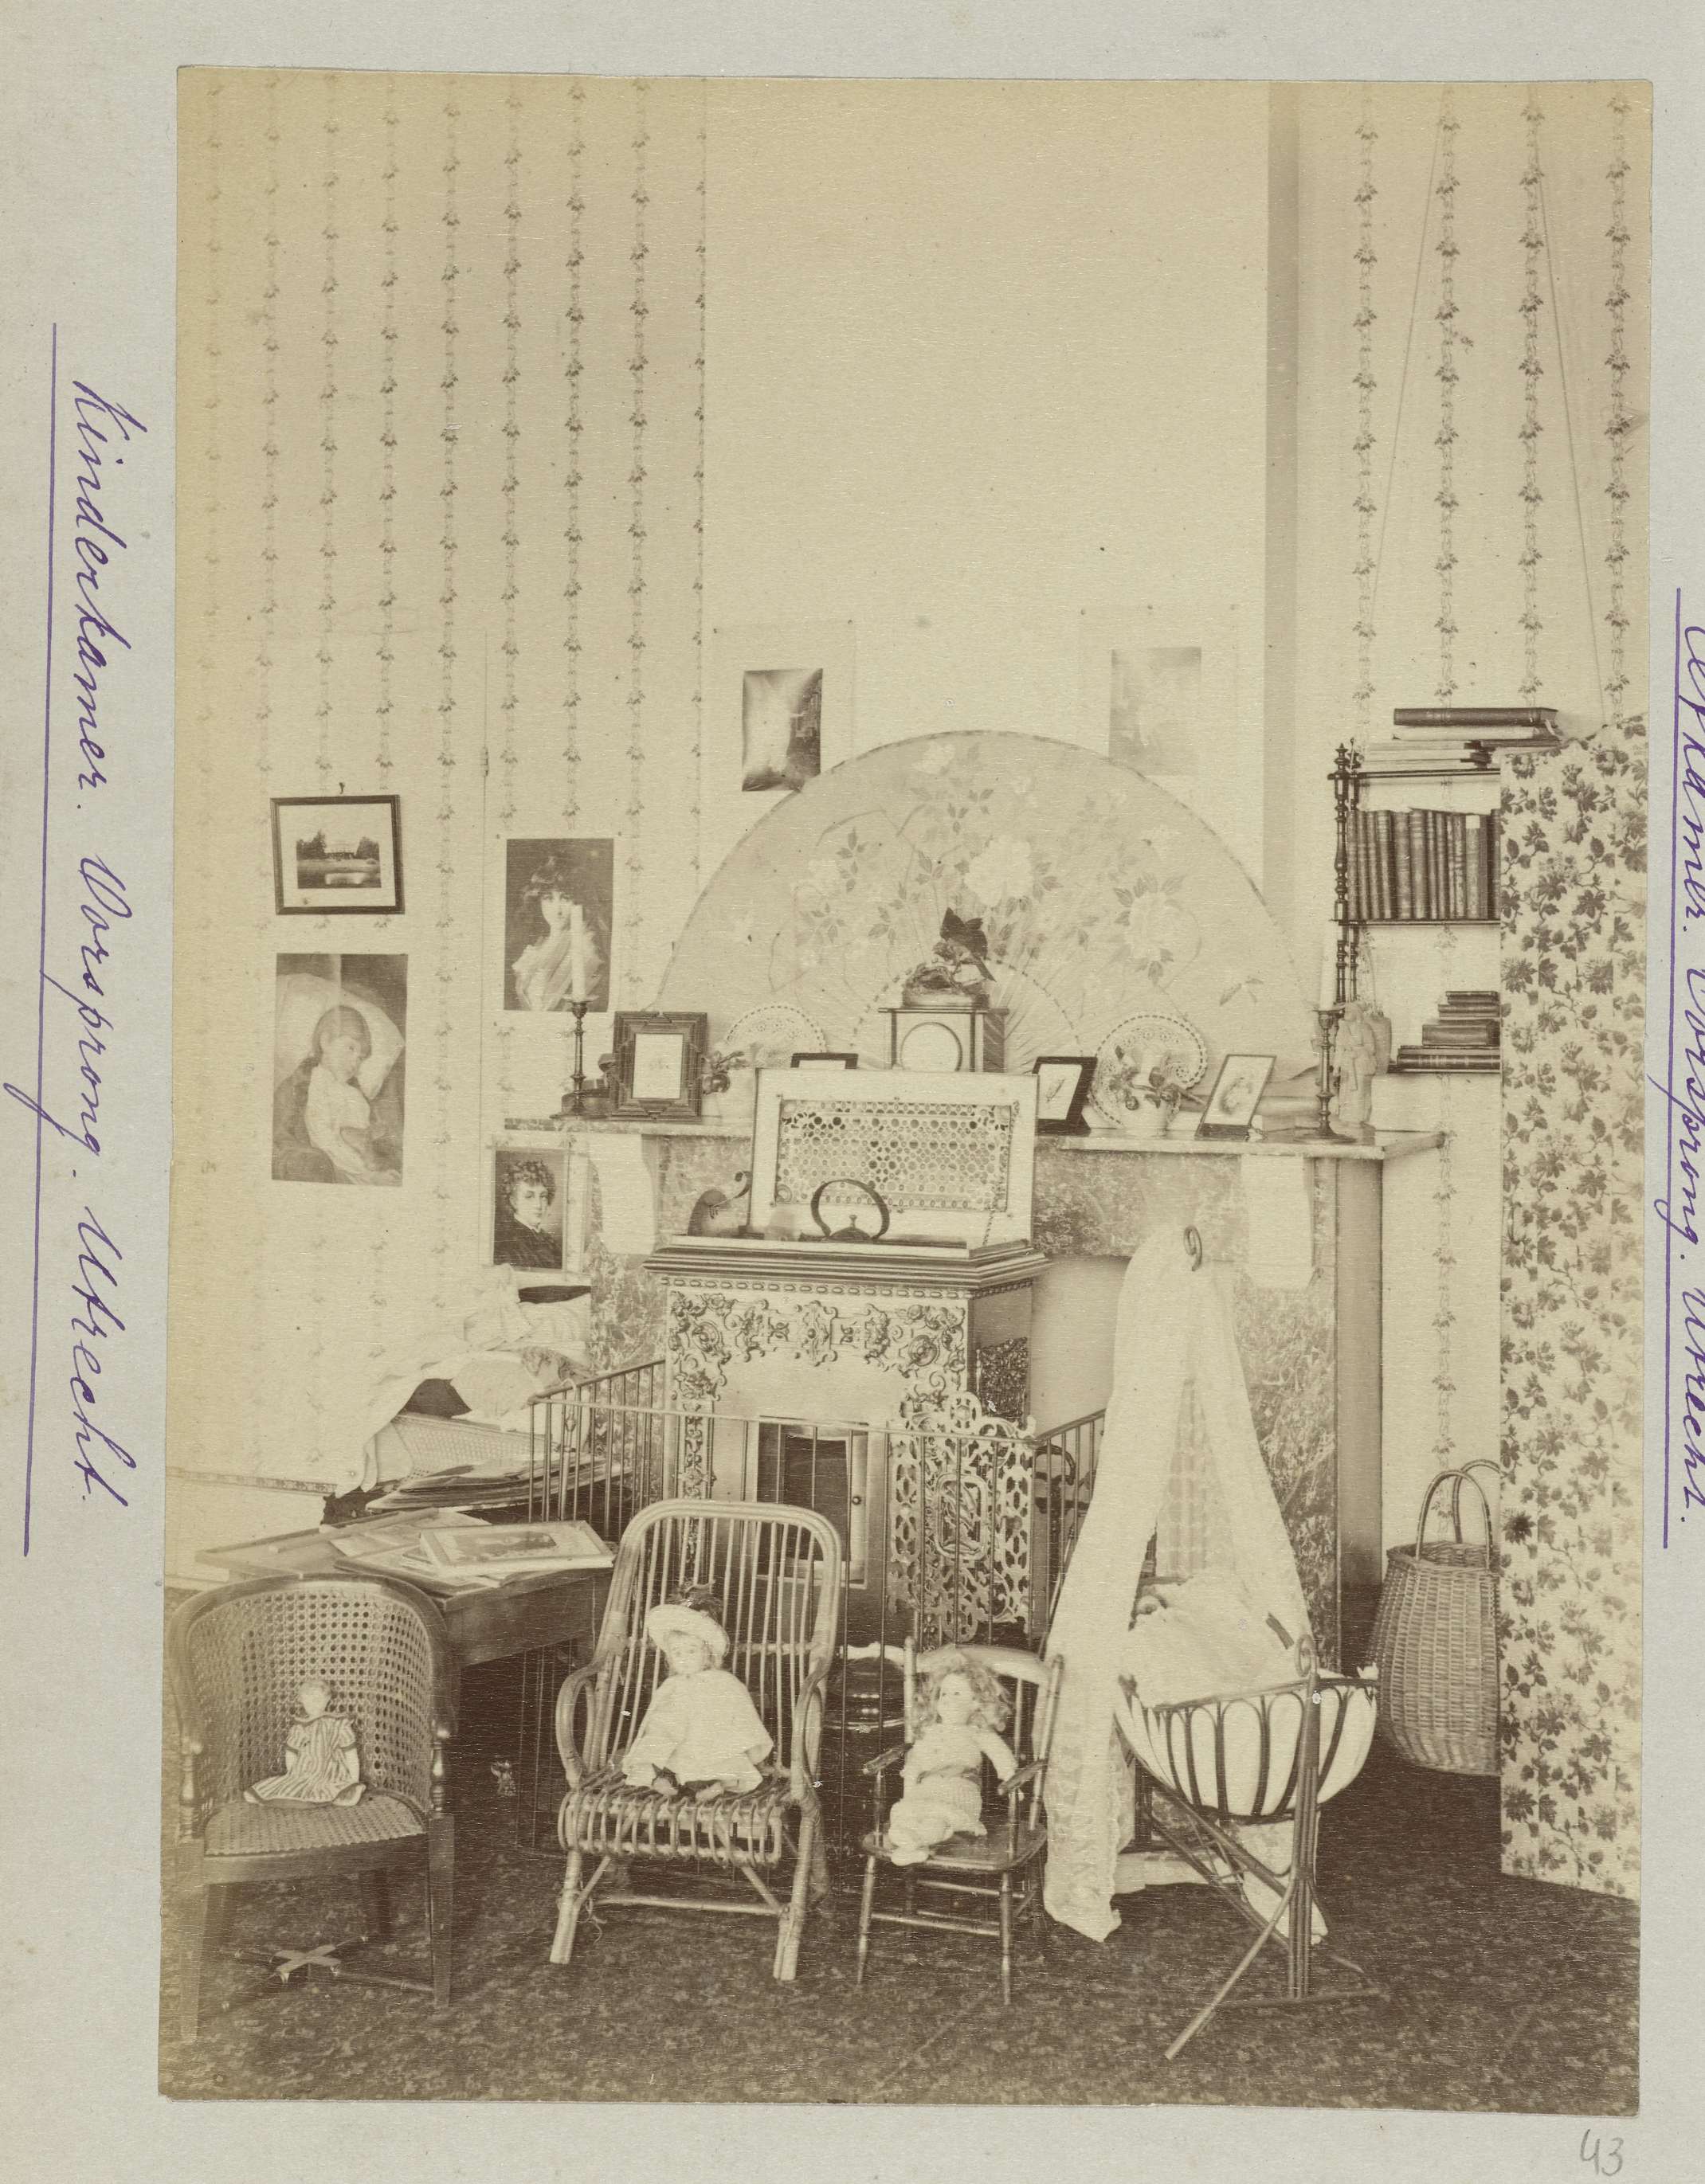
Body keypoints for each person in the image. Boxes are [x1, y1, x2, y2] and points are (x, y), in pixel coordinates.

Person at [622, 1591, 773, 1799]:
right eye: (677, 1653)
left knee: (719, 1760)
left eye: (691, 1651)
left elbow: (740, 1712)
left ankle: (715, 1785)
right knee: (656, 1753)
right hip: (675, 1739)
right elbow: (656, 1716)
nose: (683, 1658)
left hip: (709, 1739)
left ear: (708, 1654)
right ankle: (662, 1780)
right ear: (670, 1658)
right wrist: (663, 1733)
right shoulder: (671, 1685)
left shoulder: (723, 1681)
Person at [884, 1650, 1017, 1865]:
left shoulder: (978, 1732)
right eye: (944, 1694)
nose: (947, 1700)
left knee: (937, 1819)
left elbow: (1001, 1754)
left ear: (976, 1702)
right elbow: (916, 1760)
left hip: (959, 1790)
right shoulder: (929, 1731)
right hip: (927, 1789)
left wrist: (1011, 1777)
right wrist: (911, 1786)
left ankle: (917, 1842)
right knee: (905, 1815)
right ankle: (914, 1847)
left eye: (957, 1694)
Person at [302, 1005, 401, 1185]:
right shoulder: (317, 1086)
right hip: (344, 1172)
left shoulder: (355, 1095)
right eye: (350, 1048)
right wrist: (369, 1176)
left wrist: (377, 1170)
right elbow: (325, 1141)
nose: (356, 1061)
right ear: (326, 1041)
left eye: (361, 1057)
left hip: (364, 1171)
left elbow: (365, 1144)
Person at [244, 1677, 364, 1806]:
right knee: (291, 1788)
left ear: (327, 1699)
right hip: (305, 1771)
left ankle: (342, 1794)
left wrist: (354, 1780)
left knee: (337, 1787)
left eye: (318, 1700)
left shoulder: (338, 1723)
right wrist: (292, 1774)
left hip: (332, 1771)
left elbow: (350, 1752)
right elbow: (291, 1751)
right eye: (308, 1701)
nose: (313, 1705)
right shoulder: (300, 1726)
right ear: (301, 1701)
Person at [511, 852, 601, 1013]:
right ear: (538, 900)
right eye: (548, 898)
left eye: (565, 898)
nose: (557, 910)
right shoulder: (541, 943)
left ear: (578, 901)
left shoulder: (586, 949)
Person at [493, 1158, 561, 1270]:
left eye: (543, 1196)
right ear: (513, 1201)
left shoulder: (549, 1241)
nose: (538, 1205)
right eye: (529, 1197)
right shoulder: (508, 1243)